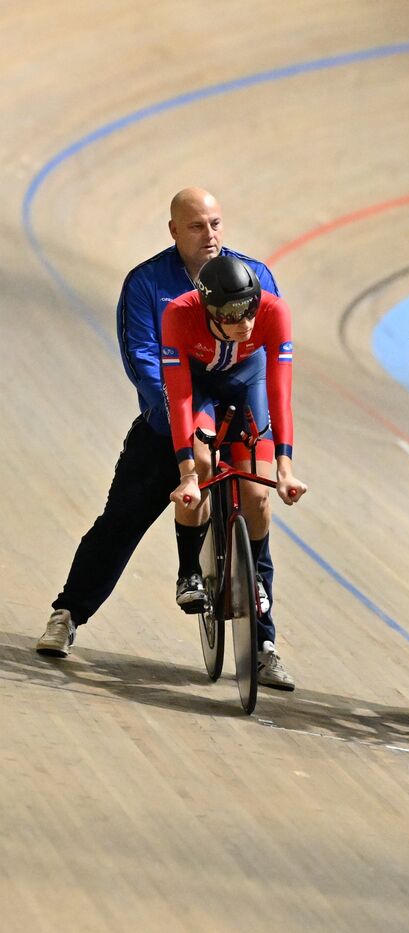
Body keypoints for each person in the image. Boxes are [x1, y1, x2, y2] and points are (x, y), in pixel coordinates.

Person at [37, 189, 290, 689]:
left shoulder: (253, 276)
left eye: (216, 223)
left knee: (256, 502)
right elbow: (144, 363)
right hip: (174, 407)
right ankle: (68, 613)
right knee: (122, 519)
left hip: (239, 397)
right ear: (173, 231)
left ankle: (263, 645)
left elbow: (268, 352)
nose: (210, 234)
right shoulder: (147, 284)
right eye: (197, 226)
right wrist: (188, 419)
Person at [158, 255, 307, 687]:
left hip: (249, 383)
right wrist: (188, 473)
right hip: (201, 388)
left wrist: (285, 466)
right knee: (202, 466)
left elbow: (280, 391)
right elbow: (181, 396)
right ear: (207, 311)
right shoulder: (179, 314)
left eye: (249, 310)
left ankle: (256, 581)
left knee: (258, 495)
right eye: (230, 316)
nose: (244, 324)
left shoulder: (273, 311)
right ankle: (190, 569)